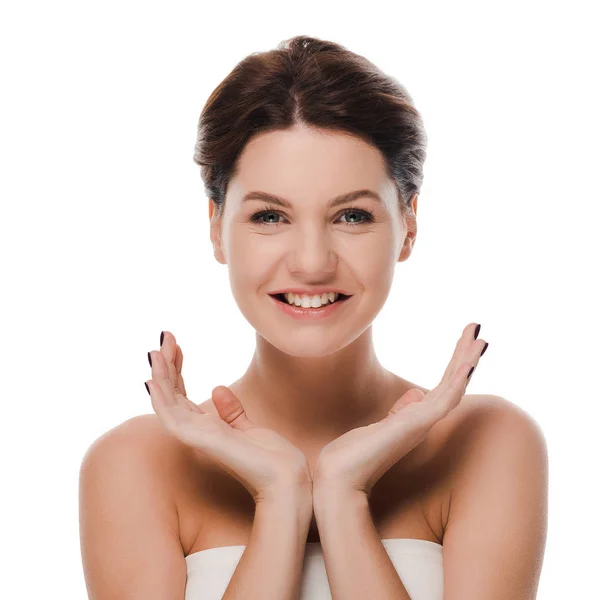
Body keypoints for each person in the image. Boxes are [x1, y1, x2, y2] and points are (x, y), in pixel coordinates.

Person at [79, 35, 548, 600]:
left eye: (352, 215)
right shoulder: (135, 464)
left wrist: (343, 493)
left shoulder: (485, 443)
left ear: (409, 225)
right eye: (270, 216)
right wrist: (279, 497)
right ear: (215, 227)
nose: (310, 262)